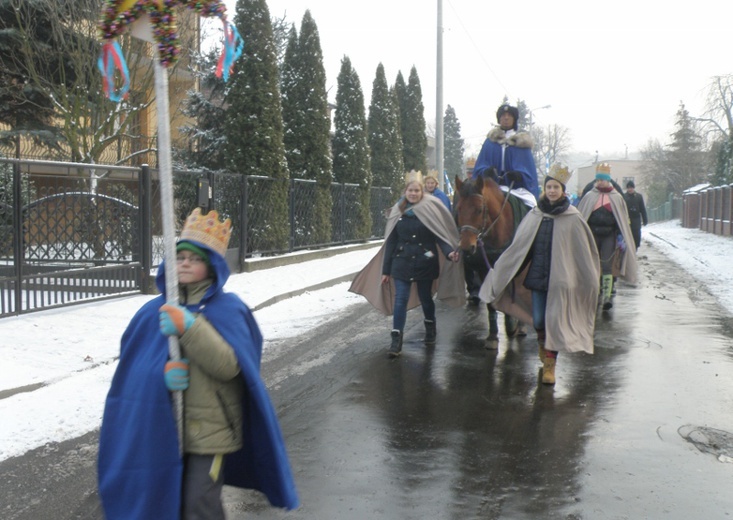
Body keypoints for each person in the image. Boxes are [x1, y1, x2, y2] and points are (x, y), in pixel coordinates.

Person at [98, 208, 299, 519]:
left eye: (195, 258)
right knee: (169, 500)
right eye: (180, 258)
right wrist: (160, 375)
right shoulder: (154, 311)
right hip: (164, 429)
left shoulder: (229, 310)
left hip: (211, 431)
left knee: (198, 502)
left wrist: (189, 327)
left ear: (213, 265)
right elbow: (132, 374)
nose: (186, 263)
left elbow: (231, 366)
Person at [479, 164, 600, 385]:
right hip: (537, 277)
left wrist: (585, 279)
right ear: (544, 189)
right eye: (549, 187)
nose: (552, 190)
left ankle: (550, 366)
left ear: (563, 190)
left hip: (561, 281)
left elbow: (583, 253)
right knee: (538, 320)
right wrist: (507, 269)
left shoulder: (573, 217)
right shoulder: (536, 214)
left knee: (554, 321)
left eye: (556, 187)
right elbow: (521, 247)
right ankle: (542, 346)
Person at [349, 171, 464, 357]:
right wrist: (386, 270)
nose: (413, 193)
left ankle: (430, 326)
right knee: (400, 298)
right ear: (405, 191)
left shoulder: (430, 208)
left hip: (426, 260)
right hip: (401, 262)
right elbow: (391, 242)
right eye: (410, 190)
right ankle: (396, 340)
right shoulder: (398, 210)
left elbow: (438, 236)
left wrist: (449, 253)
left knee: (425, 297)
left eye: (416, 191)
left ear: (421, 192)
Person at [577, 163, 638, 310]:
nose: (599, 183)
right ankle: (595, 292)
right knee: (593, 264)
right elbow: (582, 216)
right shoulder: (590, 196)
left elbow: (621, 219)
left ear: (608, 180)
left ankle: (606, 295)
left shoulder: (616, 197)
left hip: (609, 235)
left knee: (606, 264)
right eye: (597, 180)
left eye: (602, 180)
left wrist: (620, 235)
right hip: (592, 234)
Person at [472, 103, 540, 206]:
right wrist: (486, 172)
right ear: (499, 119)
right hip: (492, 187)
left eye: (510, 115)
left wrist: (520, 176)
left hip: (518, 190)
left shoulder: (522, 145)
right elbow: (479, 168)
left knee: (531, 206)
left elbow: (530, 174)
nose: (506, 118)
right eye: (503, 115)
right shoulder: (490, 143)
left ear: (514, 119)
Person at [623, 180, 648, 250]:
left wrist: (645, 219)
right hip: (627, 219)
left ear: (633, 188)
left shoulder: (638, 197)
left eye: (631, 187)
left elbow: (642, 209)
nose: (630, 189)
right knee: (627, 235)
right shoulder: (624, 197)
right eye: (628, 188)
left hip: (636, 219)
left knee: (636, 235)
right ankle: (628, 250)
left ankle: (635, 247)